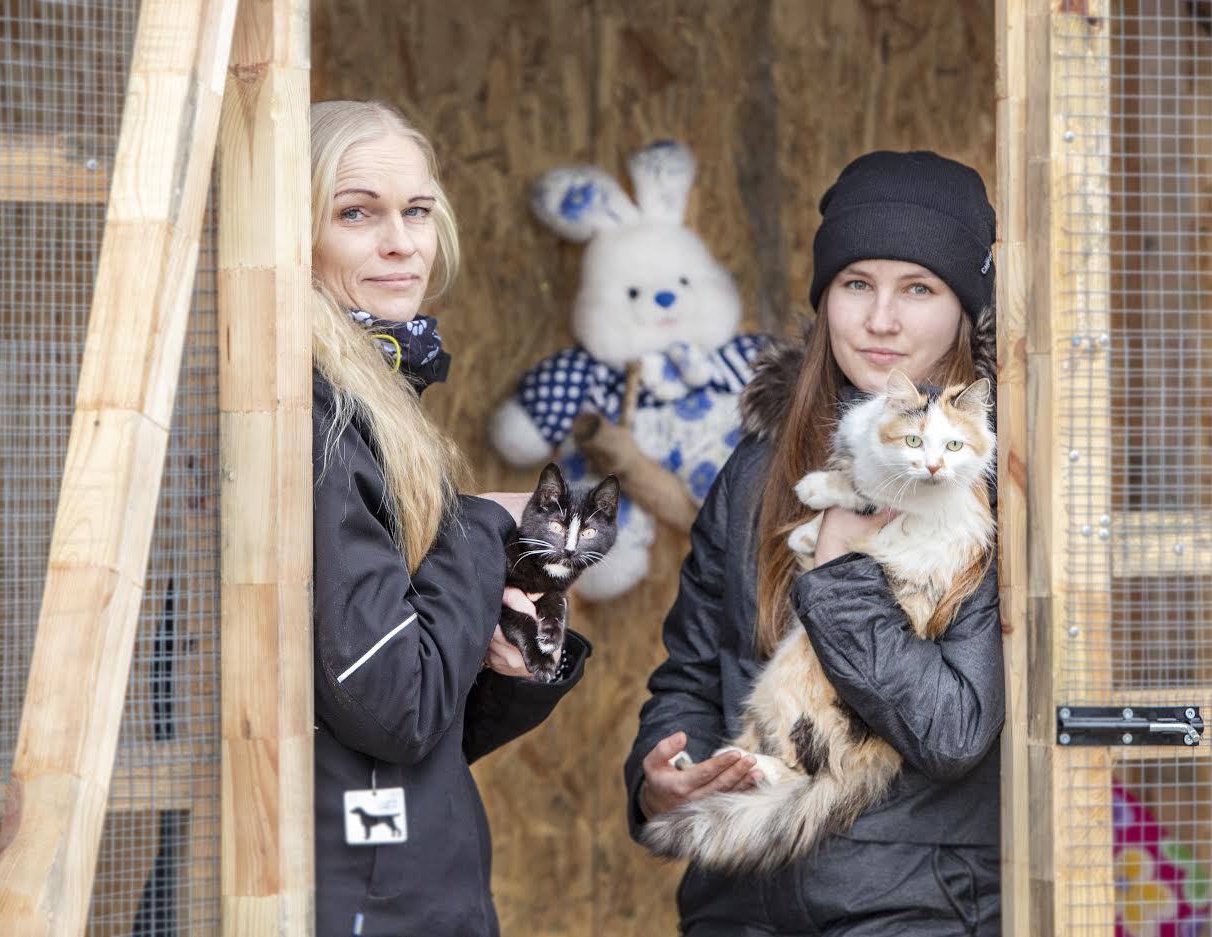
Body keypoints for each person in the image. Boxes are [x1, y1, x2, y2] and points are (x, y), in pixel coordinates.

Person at [625, 151, 1004, 936]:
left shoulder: (986, 481)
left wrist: (837, 574)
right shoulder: (760, 466)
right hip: (737, 901)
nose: (880, 320)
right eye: (856, 283)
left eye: (919, 289)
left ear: (964, 311)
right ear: (826, 296)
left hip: (912, 904)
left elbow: (955, 728)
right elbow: (696, 669)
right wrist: (662, 779)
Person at [308, 100, 590, 937]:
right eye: (357, 213)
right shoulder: (311, 415)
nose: (401, 241)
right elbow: (394, 705)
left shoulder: (374, 393)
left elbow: (411, 717)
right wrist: (479, 525)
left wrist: (507, 665)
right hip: (351, 888)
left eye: (417, 211)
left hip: (391, 875)